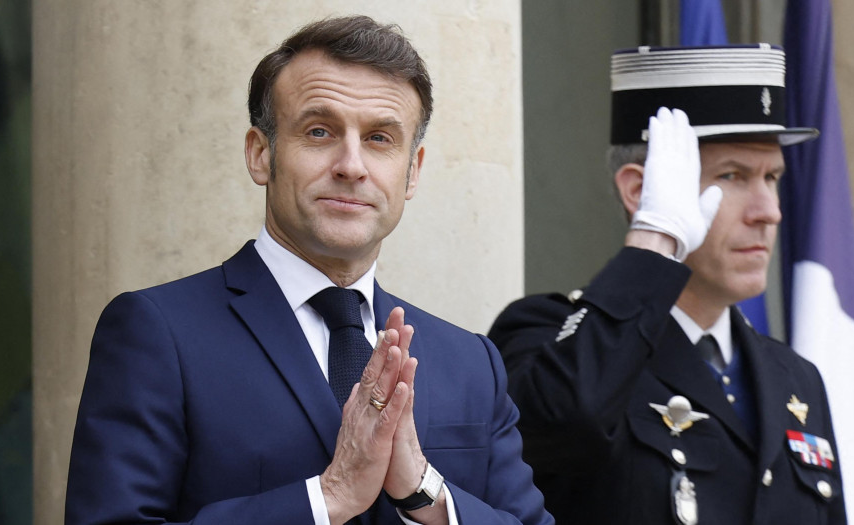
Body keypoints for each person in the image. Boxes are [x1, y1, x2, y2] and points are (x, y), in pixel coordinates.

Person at [65, 15, 552, 525]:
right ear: (260, 154)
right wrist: (327, 498)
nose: (351, 165)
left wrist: (423, 494)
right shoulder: (158, 333)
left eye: (381, 138)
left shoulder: (471, 363)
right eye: (319, 131)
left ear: (413, 171)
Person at [488, 45, 847, 524]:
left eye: (773, 177)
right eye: (734, 176)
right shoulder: (550, 338)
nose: (769, 211)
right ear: (640, 191)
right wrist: (654, 240)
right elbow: (565, 425)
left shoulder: (795, 377)